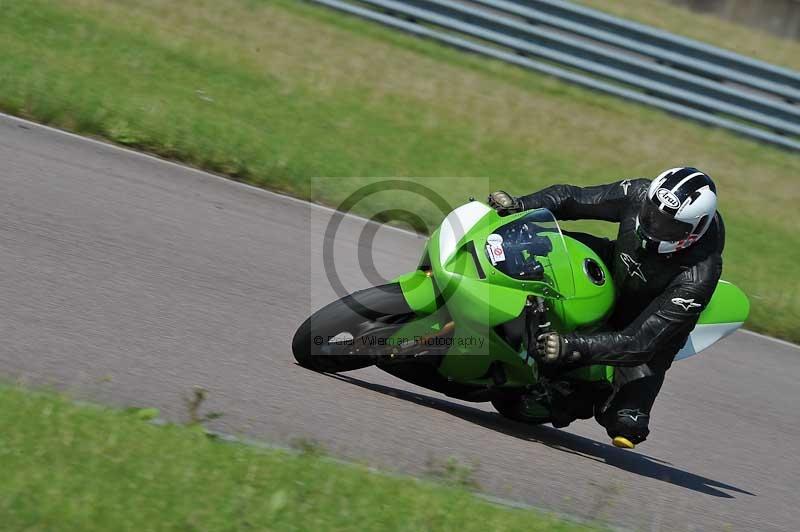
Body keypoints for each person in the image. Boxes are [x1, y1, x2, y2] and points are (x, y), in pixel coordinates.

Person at [488, 167, 724, 448]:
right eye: (650, 214)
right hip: (616, 264)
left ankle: (576, 393)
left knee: (625, 424)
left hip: (645, 323)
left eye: (668, 226)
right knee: (534, 238)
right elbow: (573, 198)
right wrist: (522, 204)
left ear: (694, 230)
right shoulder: (637, 193)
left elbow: (640, 341)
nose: (653, 226)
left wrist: (570, 345)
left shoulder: (699, 274)